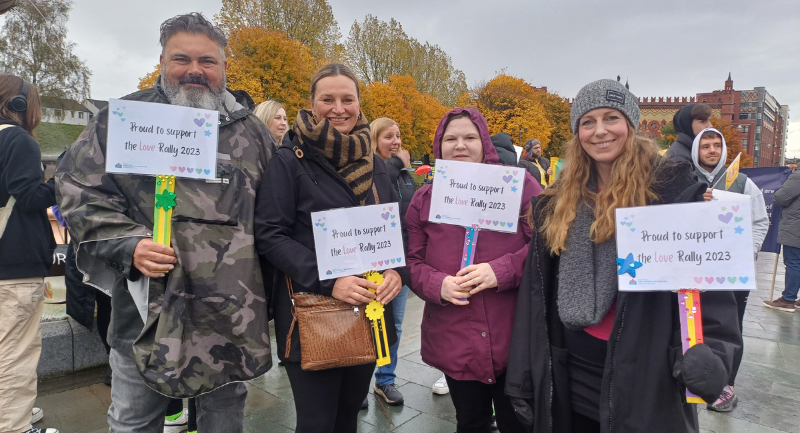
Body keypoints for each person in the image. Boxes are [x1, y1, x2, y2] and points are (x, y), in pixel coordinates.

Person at [55, 13, 275, 433]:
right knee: (135, 421)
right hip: (146, 312)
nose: (195, 70)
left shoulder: (252, 134)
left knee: (224, 420)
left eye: (207, 61)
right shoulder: (124, 119)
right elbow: (76, 188)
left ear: (224, 67)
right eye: (182, 59)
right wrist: (128, 243)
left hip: (231, 316)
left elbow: (277, 214)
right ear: (161, 61)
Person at [505, 79, 741, 433]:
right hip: (568, 370)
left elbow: (713, 283)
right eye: (588, 122)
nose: (600, 131)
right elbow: (536, 295)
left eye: (611, 118)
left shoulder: (673, 192)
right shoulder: (555, 205)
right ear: (577, 133)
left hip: (645, 374)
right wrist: (524, 374)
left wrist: (716, 353)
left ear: (630, 125)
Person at [255, 62, 402, 433]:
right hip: (312, 313)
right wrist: (329, 278)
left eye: (347, 99)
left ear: (359, 103)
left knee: (348, 415)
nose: (338, 108)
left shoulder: (376, 162)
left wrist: (396, 272)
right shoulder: (289, 160)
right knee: (317, 422)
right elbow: (271, 234)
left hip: (368, 313)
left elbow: (394, 231)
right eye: (328, 99)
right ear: (311, 103)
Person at [405, 107, 542, 433]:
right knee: (470, 422)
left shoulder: (520, 187)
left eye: (469, 137)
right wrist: (438, 285)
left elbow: (550, 242)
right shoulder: (424, 199)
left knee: (520, 424)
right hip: (456, 339)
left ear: (484, 143)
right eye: (450, 138)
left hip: (514, 337)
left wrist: (503, 270)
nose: (460, 145)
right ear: (439, 146)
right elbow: (412, 261)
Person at [690, 127, 768, 412]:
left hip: (733, 271)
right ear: (697, 149)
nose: (712, 150)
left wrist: (750, 252)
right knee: (692, 326)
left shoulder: (743, 182)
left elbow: (760, 221)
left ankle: (727, 386)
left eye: (716, 145)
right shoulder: (686, 180)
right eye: (705, 145)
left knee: (730, 327)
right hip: (695, 269)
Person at [0, 74, 60, 433]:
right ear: (20, 104)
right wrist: (61, 180)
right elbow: (30, 197)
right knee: (15, 354)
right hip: (14, 266)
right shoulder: (17, 140)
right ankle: (14, 427)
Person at [368, 117, 417, 406]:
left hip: (400, 263)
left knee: (394, 325)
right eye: (389, 137)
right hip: (372, 262)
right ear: (374, 139)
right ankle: (360, 382)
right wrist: (398, 164)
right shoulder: (374, 170)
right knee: (367, 322)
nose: (396, 142)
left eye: (398, 136)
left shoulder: (405, 175)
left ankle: (385, 379)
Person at [763, 168, 800, 312]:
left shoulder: (797, 177)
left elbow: (780, 198)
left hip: (795, 227)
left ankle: (787, 300)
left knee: (794, 263)